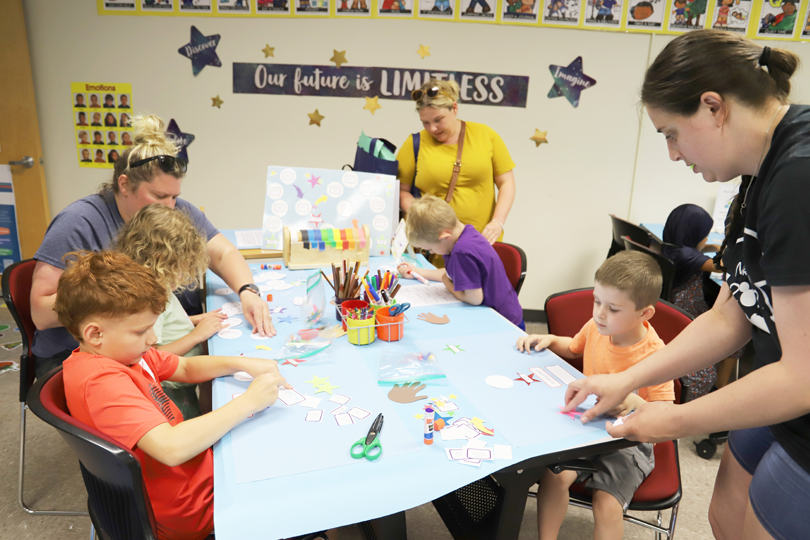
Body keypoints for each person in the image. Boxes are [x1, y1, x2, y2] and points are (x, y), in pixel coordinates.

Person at [562, 30, 810, 540]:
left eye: (671, 133)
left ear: (714, 107)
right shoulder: (757, 173)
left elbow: (803, 376)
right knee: (725, 516)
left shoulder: (798, 177)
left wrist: (673, 420)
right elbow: (728, 314)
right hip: (774, 383)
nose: (673, 154)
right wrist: (625, 381)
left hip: (797, 393)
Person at [56, 250, 289, 540]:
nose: (153, 339)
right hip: (192, 508)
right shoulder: (102, 381)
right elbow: (171, 448)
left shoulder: (124, 354)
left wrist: (242, 363)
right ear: (94, 334)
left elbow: (187, 366)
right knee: (292, 478)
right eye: (142, 330)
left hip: (196, 475)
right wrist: (250, 401)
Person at [31, 114, 275, 379]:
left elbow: (223, 252)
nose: (170, 206)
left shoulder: (173, 209)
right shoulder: (78, 222)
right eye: (159, 196)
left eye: (175, 196)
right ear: (124, 184)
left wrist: (247, 291)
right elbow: (41, 313)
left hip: (145, 345)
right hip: (81, 356)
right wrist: (132, 287)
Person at [518, 251, 673, 540]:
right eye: (596, 301)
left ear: (645, 313)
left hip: (631, 440)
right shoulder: (597, 327)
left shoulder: (657, 355)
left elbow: (665, 413)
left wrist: (631, 403)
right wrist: (551, 340)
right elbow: (574, 347)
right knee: (554, 475)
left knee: (606, 504)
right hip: (589, 423)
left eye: (613, 309)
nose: (600, 313)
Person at [115, 204, 227, 419]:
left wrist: (194, 320)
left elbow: (166, 322)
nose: (183, 276)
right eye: (179, 268)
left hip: (180, 375)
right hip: (171, 388)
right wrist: (197, 336)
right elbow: (151, 357)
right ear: (159, 259)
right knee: (186, 423)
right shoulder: (147, 300)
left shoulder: (153, 285)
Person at [396, 80, 516, 250]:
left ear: (454, 108)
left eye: (438, 120)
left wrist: (498, 222)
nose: (433, 128)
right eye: (425, 122)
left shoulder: (485, 135)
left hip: (481, 242)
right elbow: (401, 191)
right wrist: (423, 215)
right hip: (431, 245)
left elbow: (507, 183)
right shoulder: (415, 143)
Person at [397, 194, 524, 329]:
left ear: (445, 237)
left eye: (430, 248)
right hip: (501, 314)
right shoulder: (466, 233)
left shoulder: (462, 252)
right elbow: (451, 273)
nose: (432, 252)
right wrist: (417, 271)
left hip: (504, 323)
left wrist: (446, 282)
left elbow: (474, 299)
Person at [663, 203, 741, 391]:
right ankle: (721, 384)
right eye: (704, 234)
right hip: (691, 313)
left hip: (676, 307)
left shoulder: (670, 247)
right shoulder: (688, 256)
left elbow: (692, 254)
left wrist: (707, 247)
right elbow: (721, 265)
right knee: (738, 335)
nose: (706, 237)